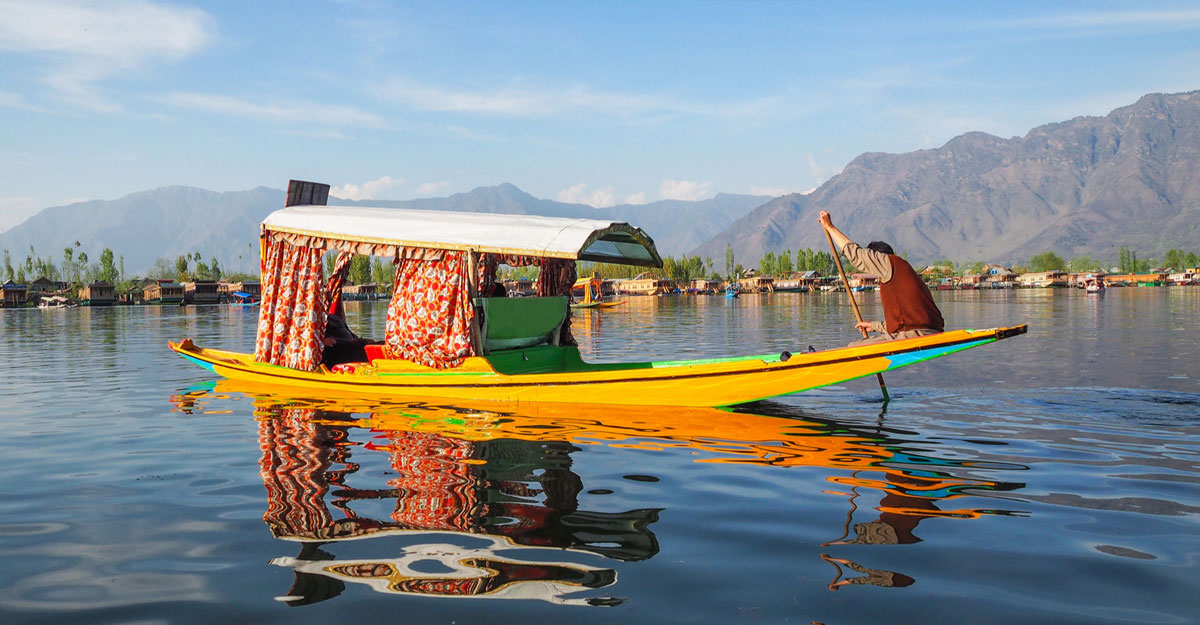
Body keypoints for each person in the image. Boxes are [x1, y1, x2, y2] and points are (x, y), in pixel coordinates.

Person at [818, 211, 944, 344]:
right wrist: (873, 326)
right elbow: (904, 322)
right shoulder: (902, 272)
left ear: (877, 257)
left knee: (854, 347)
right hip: (923, 332)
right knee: (862, 344)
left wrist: (829, 227)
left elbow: (856, 255)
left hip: (917, 335)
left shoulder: (888, 263)